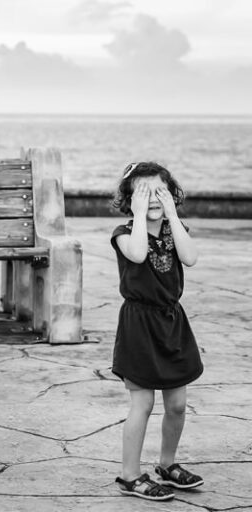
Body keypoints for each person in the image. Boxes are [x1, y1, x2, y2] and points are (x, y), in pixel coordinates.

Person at [110, 162, 204, 501]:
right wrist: (139, 215)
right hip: (139, 324)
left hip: (171, 322)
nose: (152, 198)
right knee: (143, 402)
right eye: (143, 192)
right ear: (130, 198)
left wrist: (172, 216)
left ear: (171, 194)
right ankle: (130, 476)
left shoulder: (175, 229)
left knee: (177, 404)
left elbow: (190, 258)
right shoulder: (123, 233)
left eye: (159, 191)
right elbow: (137, 254)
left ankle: (167, 464)